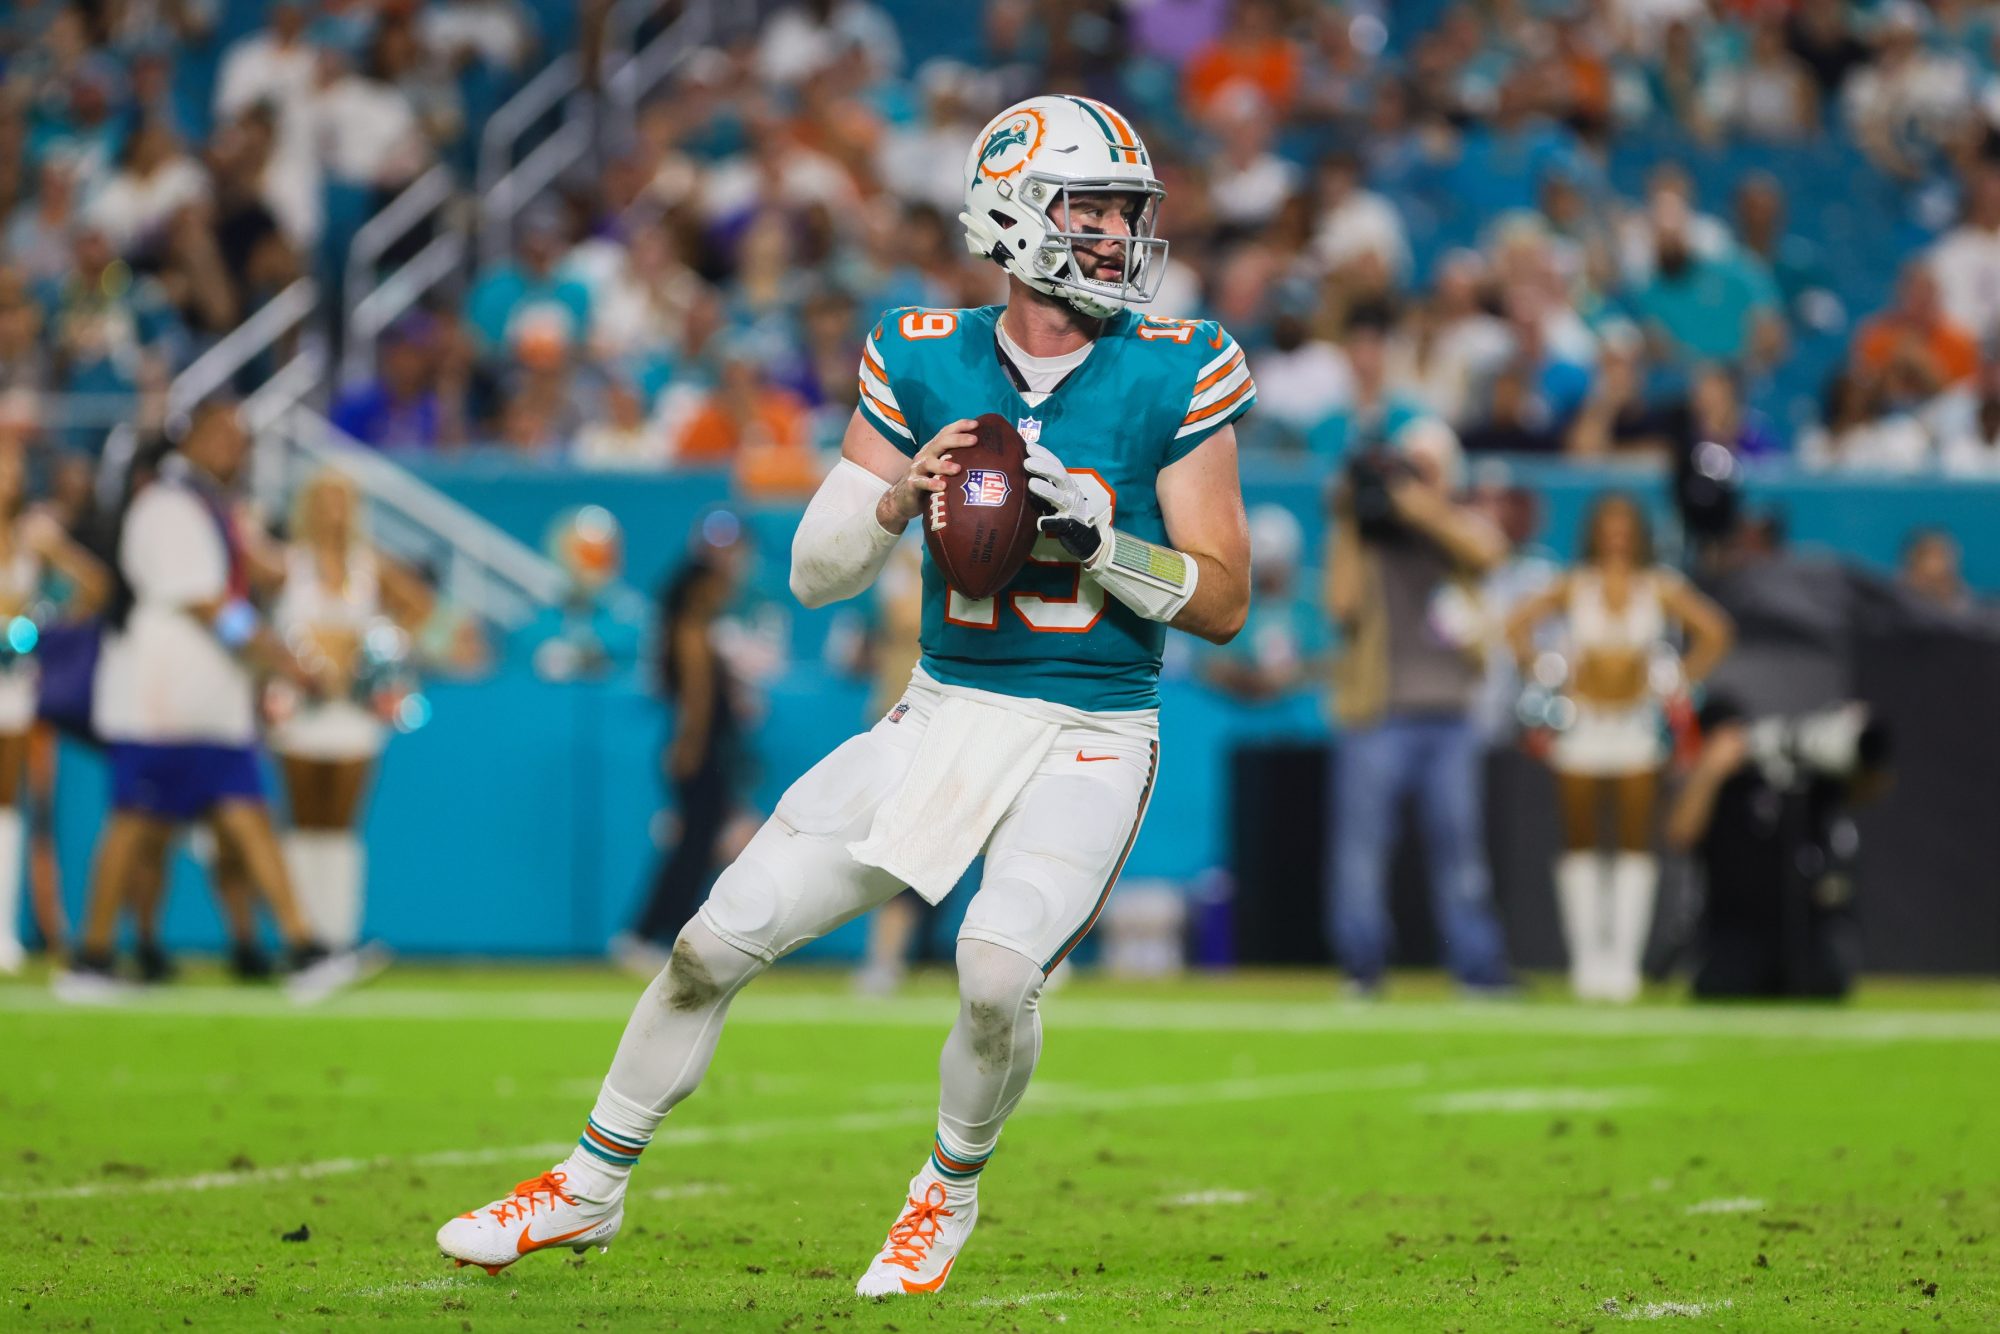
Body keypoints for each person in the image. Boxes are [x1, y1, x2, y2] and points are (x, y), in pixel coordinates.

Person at [436, 94, 1254, 1297]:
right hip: (935, 713)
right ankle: (589, 1179)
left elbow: (1224, 597)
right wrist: (889, 500)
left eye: (1123, 212)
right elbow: (812, 575)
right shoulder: (919, 350)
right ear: (1015, 215)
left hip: (1088, 727)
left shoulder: (1178, 365)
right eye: (1091, 208)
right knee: (711, 939)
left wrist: (1103, 541)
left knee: (990, 969)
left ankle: (947, 1188)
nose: (1116, 235)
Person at [63, 400, 362, 1001]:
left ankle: (306, 947)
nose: (236, 446)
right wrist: (277, 655)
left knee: (242, 812)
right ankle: (91, 957)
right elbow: (207, 603)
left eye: (242, 436)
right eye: (222, 433)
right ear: (191, 437)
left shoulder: (209, 505)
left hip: (204, 700)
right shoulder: (171, 504)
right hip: (164, 699)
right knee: (138, 824)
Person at [1504, 495, 1733, 1002]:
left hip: (1634, 724)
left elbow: (1716, 631)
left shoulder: (1659, 587)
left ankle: (1623, 961)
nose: (1616, 539)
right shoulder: (1575, 585)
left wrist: (1675, 682)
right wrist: (1547, 673)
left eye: (1624, 528)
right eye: (1606, 528)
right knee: (1581, 837)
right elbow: (1516, 624)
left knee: (1634, 839)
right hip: (1583, 723)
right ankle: (1587, 959)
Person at [1324, 419, 1511, 996]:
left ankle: (1478, 971)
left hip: (1451, 711)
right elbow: (1341, 605)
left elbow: (1490, 553)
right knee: (1362, 852)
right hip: (1378, 709)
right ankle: (1362, 968)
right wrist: (1353, 518)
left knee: (1461, 852)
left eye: (1427, 471)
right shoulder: (1369, 534)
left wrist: (1418, 505)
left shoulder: (1454, 528)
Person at [269, 469, 415, 955]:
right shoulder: (287, 564)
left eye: (343, 500)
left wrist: (377, 653)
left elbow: (420, 607)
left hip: (352, 711)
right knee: (304, 820)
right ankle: (302, 936)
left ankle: (340, 933)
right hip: (300, 710)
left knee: (342, 824)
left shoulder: (370, 566)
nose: (334, 509)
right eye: (324, 499)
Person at [0, 447, 108, 974]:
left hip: (13, 686)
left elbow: (95, 583)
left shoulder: (32, 536)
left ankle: (3, 932)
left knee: (8, 804)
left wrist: (47, 630)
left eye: (13, 465)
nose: (8, 473)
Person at [617, 541, 749, 965]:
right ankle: (649, 933)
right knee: (690, 848)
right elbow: (696, 698)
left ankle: (659, 931)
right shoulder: (691, 631)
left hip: (702, 749)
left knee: (697, 845)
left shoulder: (688, 629)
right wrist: (691, 748)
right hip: (700, 750)